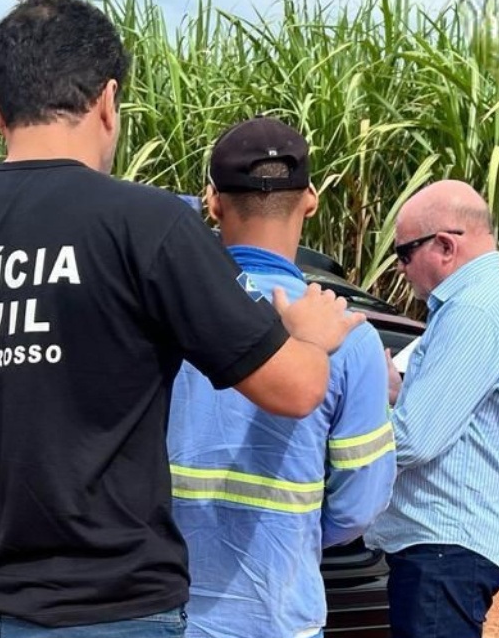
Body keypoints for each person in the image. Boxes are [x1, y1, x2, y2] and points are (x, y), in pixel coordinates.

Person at [0, 0, 366, 638]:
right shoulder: (149, 227)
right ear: (109, 101)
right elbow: (296, 388)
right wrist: (308, 335)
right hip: (119, 613)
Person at [167, 117, 396, 638]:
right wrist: (297, 534)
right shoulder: (349, 337)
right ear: (310, 199)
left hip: (166, 617)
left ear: (213, 201)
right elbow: (361, 501)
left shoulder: (164, 315)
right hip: (279, 615)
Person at [363, 180, 499, 638]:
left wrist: (340, 432)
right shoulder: (485, 305)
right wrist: (396, 396)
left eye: (404, 253)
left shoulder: (475, 311)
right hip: (446, 548)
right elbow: (451, 422)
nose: (401, 268)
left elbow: (412, 441)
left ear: (445, 245)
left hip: (443, 545)